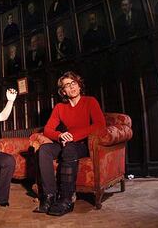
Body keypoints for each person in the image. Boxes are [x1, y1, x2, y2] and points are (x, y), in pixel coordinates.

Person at [34, 71, 106, 216]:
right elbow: (48, 130)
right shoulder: (60, 108)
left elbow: (100, 125)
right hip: (66, 143)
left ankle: (67, 199)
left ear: (79, 86)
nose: (71, 87)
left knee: (70, 149)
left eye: (74, 83)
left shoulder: (90, 101)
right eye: (67, 85)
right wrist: (60, 135)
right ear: (63, 92)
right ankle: (49, 196)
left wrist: (74, 136)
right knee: (44, 150)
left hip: (84, 145)